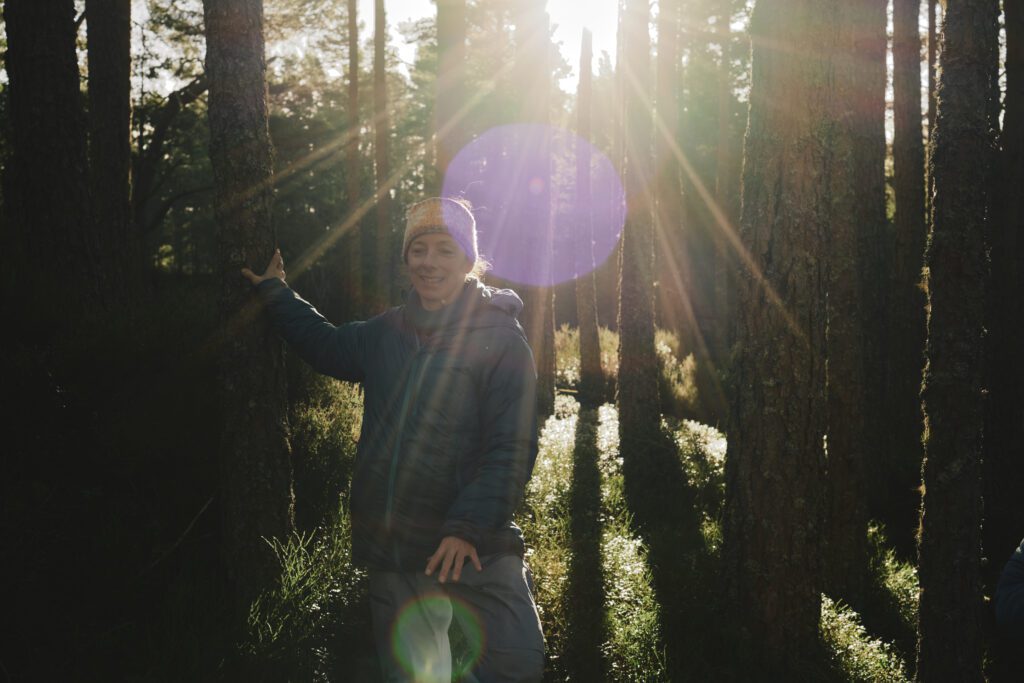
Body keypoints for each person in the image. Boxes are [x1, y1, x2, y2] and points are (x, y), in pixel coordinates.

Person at [242, 197, 545, 682]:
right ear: (406, 260)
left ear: (469, 261)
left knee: (516, 664)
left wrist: (464, 527)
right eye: (418, 250)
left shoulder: (500, 338)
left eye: (445, 250)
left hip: (473, 542)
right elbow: (325, 344)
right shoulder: (387, 332)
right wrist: (278, 294)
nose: (429, 263)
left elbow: (511, 447)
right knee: (415, 674)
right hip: (398, 544)